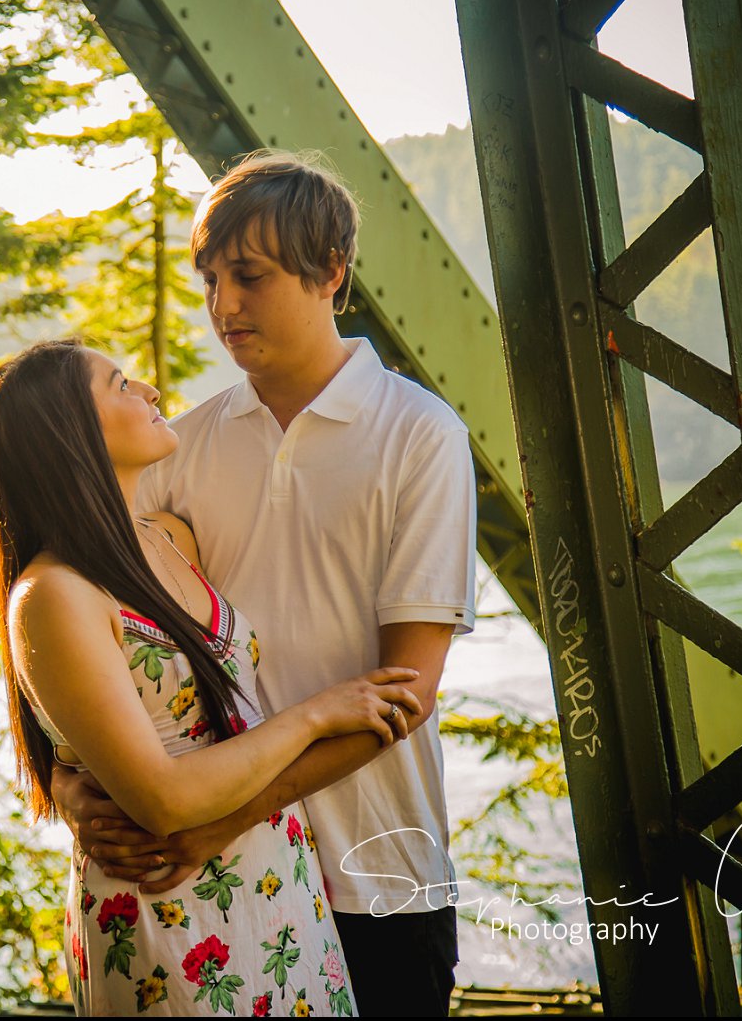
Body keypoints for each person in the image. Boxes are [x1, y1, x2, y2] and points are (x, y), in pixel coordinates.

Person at [52, 151, 478, 1016]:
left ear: (330, 273)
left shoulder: (418, 435)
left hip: (376, 871)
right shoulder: (182, 445)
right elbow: (61, 624)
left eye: (248, 276)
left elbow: (407, 692)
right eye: (210, 278)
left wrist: (225, 818)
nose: (222, 306)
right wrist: (69, 790)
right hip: (222, 885)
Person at [0, 338, 427, 1016]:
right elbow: (161, 800)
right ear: (69, 433)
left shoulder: (168, 541)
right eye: (121, 385)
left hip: (275, 884)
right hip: (169, 907)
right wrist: (313, 714)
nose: (149, 392)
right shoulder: (53, 595)